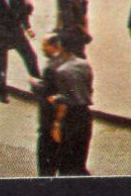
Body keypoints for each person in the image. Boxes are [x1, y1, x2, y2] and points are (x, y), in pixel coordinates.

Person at [34, 33, 94, 177]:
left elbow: (63, 102)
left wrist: (56, 124)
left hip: (66, 120)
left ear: (60, 47)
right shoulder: (85, 65)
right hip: (85, 117)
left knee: (53, 166)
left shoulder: (57, 69)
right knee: (78, 163)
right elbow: (89, 89)